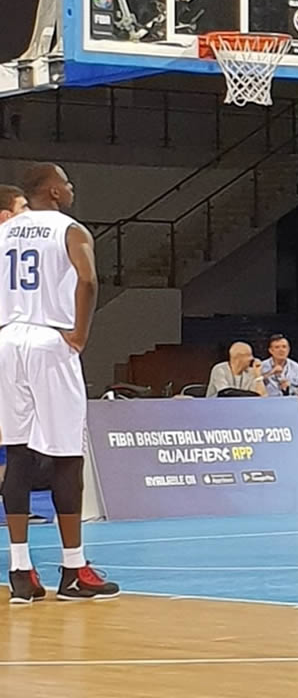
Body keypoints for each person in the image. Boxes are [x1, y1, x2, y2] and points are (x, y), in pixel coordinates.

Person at [0, 163, 120, 602]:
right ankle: (73, 569)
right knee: (67, 456)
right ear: (51, 191)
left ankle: (19, 571)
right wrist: (80, 335)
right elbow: (88, 279)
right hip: (50, 340)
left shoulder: (5, 231)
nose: (71, 189)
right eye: (66, 183)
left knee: (17, 453)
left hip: (8, 339)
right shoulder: (70, 230)